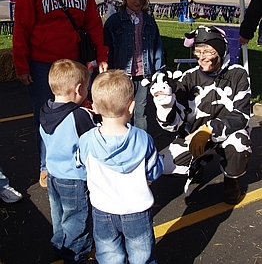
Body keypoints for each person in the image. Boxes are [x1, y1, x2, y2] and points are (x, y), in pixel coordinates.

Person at [12, 0, 108, 188]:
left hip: (73, 61)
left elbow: (93, 24)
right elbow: (21, 27)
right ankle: (47, 165)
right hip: (42, 63)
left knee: (77, 113)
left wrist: (101, 54)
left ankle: (77, 160)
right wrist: (21, 64)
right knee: (47, 116)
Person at [149, 25, 252, 205]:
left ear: (220, 51)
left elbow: (241, 115)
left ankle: (231, 180)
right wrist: (165, 106)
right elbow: (175, 125)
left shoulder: (239, 75)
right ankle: (198, 164)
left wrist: (209, 129)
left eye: (207, 52)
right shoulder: (188, 77)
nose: (201, 57)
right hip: (193, 136)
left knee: (239, 144)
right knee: (165, 166)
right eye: (198, 52)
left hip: (225, 135)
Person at [77, 69, 164, 264]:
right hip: (137, 210)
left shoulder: (86, 140)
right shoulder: (143, 139)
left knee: (109, 255)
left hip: (102, 209)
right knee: (142, 254)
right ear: (131, 106)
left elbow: (81, 167)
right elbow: (155, 171)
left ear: (95, 108)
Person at [39, 59, 97, 264]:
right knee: (76, 219)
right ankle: (76, 256)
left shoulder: (45, 110)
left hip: (54, 173)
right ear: (79, 88)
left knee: (59, 213)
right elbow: (93, 140)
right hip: (74, 177)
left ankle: (59, 244)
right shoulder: (79, 115)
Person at [103, 0, 165, 131]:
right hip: (123, 74)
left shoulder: (149, 21)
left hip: (144, 75)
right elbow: (107, 47)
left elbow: (157, 47)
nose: (138, 2)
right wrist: (108, 72)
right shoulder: (114, 21)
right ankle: (126, 141)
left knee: (140, 112)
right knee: (123, 111)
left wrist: (159, 71)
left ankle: (141, 143)